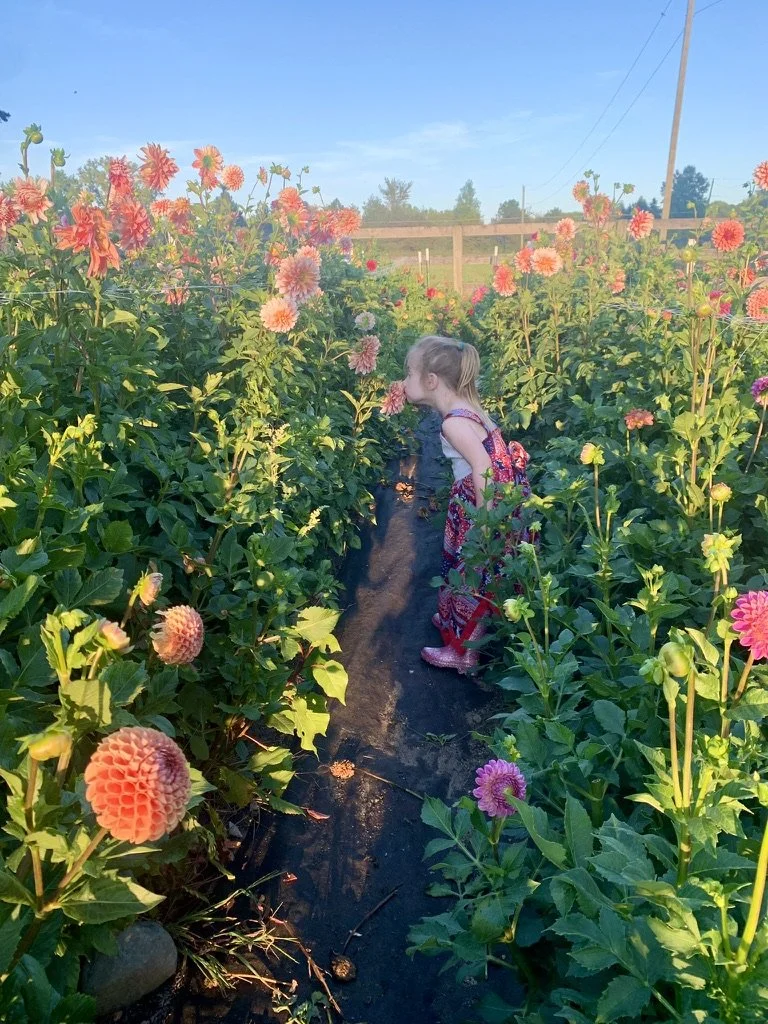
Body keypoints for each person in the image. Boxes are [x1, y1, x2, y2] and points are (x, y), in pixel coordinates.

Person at [402, 335, 531, 675]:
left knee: (473, 573)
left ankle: (464, 655)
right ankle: (452, 620)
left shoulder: (452, 423)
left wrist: (484, 524)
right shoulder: (468, 408)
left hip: (483, 503)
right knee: (471, 573)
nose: (403, 381)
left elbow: (485, 468)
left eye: (408, 373)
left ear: (431, 381)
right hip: (497, 497)